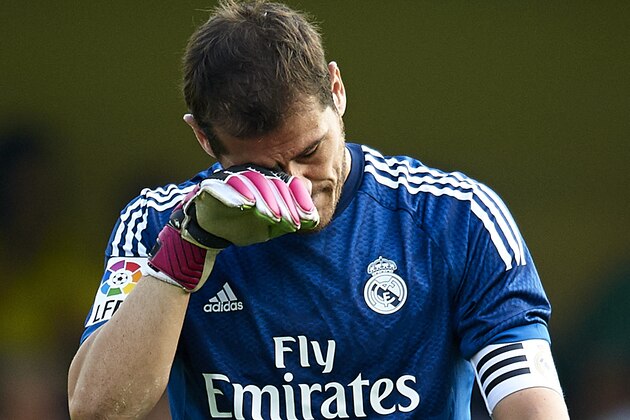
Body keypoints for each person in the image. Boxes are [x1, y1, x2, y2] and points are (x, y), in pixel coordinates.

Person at [67, 1, 570, 418]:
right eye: (263, 170)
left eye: (310, 152)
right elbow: (96, 409)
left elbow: (531, 404)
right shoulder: (157, 225)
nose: (298, 189)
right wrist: (183, 255)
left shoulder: (457, 219)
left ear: (336, 89)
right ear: (203, 137)